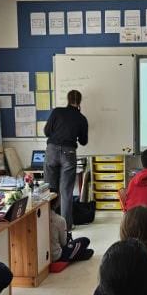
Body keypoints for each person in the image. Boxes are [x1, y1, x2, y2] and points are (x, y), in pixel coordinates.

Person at [44, 89, 88, 231]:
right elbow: (83, 141)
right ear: (79, 101)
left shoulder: (57, 112)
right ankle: (66, 226)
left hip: (52, 150)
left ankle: (48, 223)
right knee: (66, 191)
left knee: (50, 189)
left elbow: (46, 131)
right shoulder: (82, 118)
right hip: (69, 152)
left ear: (68, 99)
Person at [50, 195, 93, 263]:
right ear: (57, 202)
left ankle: (77, 254)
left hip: (43, 257)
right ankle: (75, 256)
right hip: (56, 256)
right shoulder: (59, 220)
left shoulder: (39, 218)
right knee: (85, 240)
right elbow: (63, 243)